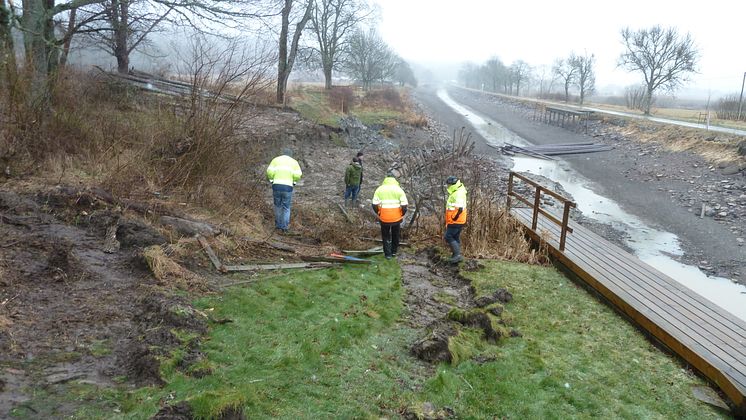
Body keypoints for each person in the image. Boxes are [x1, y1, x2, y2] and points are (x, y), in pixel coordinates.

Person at [372, 170, 408, 259]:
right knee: (395, 234)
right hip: (396, 218)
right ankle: (394, 252)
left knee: (385, 236)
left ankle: (387, 254)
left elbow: (374, 204)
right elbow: (404, 205)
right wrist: (402, 214)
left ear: (385, 179)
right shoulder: (399, 190)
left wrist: (379, 213)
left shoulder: (379, 189)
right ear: (394, 179)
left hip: (384, 217)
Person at [266, 148, 302, 233]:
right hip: (288, 187)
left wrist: (271, 180)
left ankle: (278, 225)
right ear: (290, 155)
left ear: (283, 153)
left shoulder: (275, 160)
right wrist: (294, 181)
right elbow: (298, 174)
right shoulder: (294, 162)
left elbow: (269, 171)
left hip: (277, 185)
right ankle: (284, 227)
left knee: (277, 206)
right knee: (286, 207)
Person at [444, 175, 467, 263]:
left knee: (448, 236)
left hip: (455, 220)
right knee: (455, 236)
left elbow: (460, 208)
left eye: (448, 185)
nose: (447, 186)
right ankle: (455, 255)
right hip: (458, 220)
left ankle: (457, 255)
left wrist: (454, 218)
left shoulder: (458, 193)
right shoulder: (458, 191)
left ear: (452, 184)